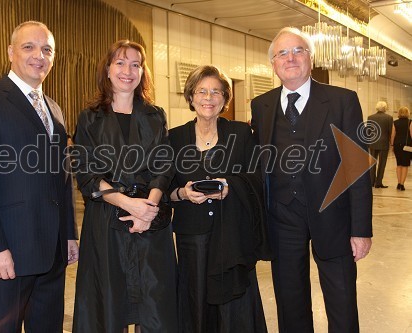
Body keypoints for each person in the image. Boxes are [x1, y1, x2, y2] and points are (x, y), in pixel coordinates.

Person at [0, 21, 78, 332]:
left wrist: (69, 233)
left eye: (47, 50)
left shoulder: (55, 109)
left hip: (51, 253)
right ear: (10, 52)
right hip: (7, 252)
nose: (39, 55)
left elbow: (62, 179)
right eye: (29, 47)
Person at [251, 27, 373, 332]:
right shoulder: (261, 106)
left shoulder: (342, 100)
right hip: (282, 218)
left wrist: (361, 229)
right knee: (289, 301)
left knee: (341, 301)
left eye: (298, 51)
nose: (290, 58)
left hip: (334, 216)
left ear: (311, 58)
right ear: (273, 64)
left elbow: (357, 168)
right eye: (282, 53)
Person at [71, 40, 177, 333]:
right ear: (107, 70)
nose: (127, 70)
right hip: (107, 221)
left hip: (150, 221)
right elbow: (87, 173)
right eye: (120, 63)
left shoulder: (155, 116)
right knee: (107, 306)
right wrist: (129, 205)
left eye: (135, 64)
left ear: (143, 72)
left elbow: (164, 166)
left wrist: (149, 208)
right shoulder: (89, 118)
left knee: (154, 307)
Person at [169, 65, 271, 332]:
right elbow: (163, 187)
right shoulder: (175, 137)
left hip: (232, 234)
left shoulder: (240, 133)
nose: (209, 97)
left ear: (225, 99)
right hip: (192, 236)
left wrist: (229, 186)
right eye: (202, 91)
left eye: (216, 92)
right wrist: (183, 193)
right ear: (191, 97)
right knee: (196, 297)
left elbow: (258, 178)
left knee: (234, 303)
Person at [368, 101, 393, 188]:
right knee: (382, 163)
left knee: (372, 163)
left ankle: (371, 182)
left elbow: (368, 131)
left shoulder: (370, 117)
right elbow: (390, 131)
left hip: (373, 142)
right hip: (384, 143)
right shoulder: (389, 118)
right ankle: (378, 183)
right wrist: (391, 143)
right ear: (385, 108)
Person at [390, 106, 412, 191]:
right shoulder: (410, 122)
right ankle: (402, 184)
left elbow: (393, 135)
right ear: (407, 113)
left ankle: (398, 183)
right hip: (407, 146)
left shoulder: (395, 122)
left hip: (397, 146)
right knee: (405, 165)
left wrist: (392, 145)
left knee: (398, 164)